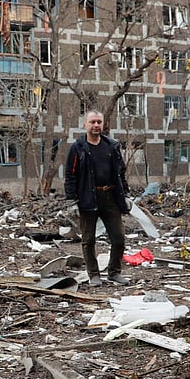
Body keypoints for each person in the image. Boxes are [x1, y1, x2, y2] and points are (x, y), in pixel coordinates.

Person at [64, 110, 132, 287]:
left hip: (110, 197)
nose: (96, 125)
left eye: (99, 122)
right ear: (85, 124)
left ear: (103, 124)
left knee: (118, 238)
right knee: (88, 240)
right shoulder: (77, 148)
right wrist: (72, 201)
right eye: (92, 122)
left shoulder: (112, 146)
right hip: (88, 198)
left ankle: (114, 272)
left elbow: (120, 172)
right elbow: (70, 176)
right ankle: (93, 274)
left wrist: (125, 194)